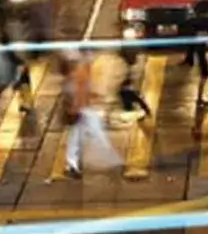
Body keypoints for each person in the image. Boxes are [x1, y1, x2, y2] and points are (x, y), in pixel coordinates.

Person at [61, 49, 113, 178]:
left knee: (79, 135)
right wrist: (76, 107)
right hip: (80, 110)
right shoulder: (79, 73)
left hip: (81, 109)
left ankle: (73, 164)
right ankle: (72, 165)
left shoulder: (81, 72)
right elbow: (78, 92)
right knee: (80, 135)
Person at [117, 48, 152, 122]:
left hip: (129, 86)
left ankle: (135, 113)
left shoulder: (131, 66)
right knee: (131, 98)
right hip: (129, 86)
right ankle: (137, 112)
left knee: (130, 98)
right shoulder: (130, 65)